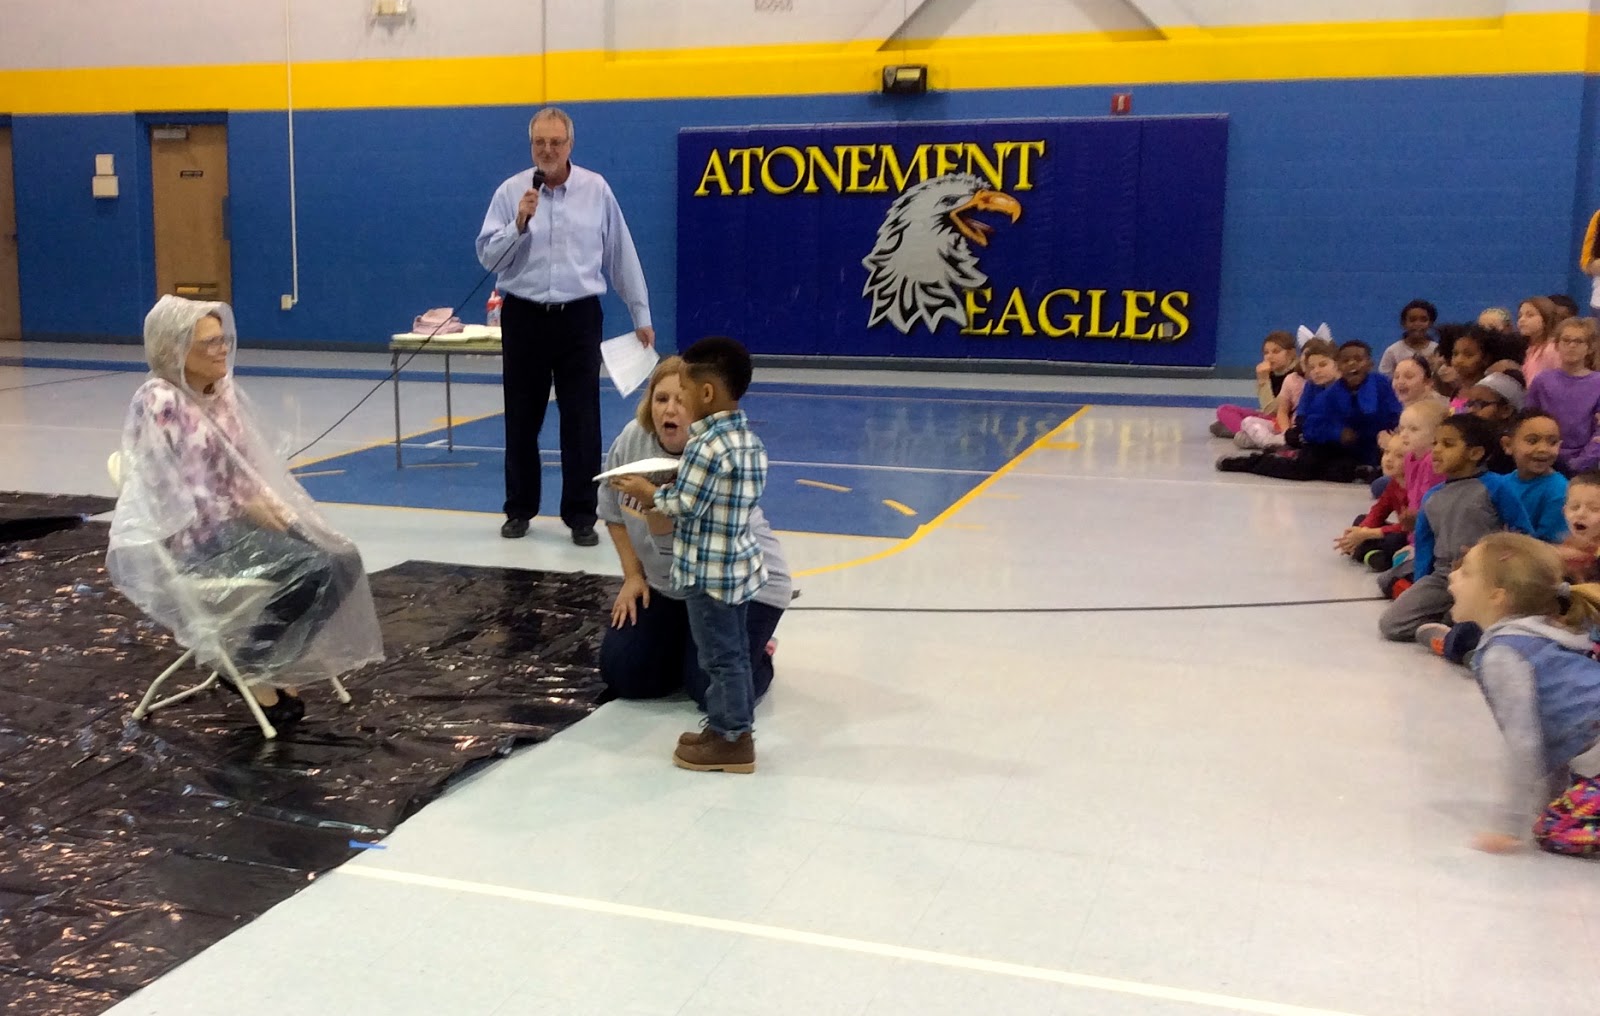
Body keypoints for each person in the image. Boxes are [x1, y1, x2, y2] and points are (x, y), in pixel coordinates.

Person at [106, 296, 383, 728]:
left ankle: (267, 657)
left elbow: (246, 468)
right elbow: (174, 493)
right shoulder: (159, 401)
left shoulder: (220, 391)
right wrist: (245, 506)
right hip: (194, 538)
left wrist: (279, 511)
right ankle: (251, 665)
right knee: (312, 568)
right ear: (174, 349)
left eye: (223, 339)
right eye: (209, 342)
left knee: (342, 558)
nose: (222, 350)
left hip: (236, 523)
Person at [476, 107, 655, 546]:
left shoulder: (597, 190)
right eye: (540, 143)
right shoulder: (510, 192)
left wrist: (641, 314)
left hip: (578, 317)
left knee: (581, 420)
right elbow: (488, 258)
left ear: (570, 145)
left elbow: (620, 253)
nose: (548, 150)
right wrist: (518, 224)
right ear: (531, 145)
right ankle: (519, 509)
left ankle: (580, 515)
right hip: (524, 315)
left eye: (556, 142)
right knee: (521, 418)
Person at [612, 337, 768, 773]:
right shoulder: (748, 442)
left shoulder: (705, 447)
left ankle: (732, 737)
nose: (675, 406)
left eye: (685, 393)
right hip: (737, 567)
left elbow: (682, 505)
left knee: (718, 658)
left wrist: (649, 493)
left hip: (706, 574)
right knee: (731, 652)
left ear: (705, 394)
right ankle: (726, 728)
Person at [599, 357, 790, 709]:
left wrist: (653, 499)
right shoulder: (632, 439)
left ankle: (759, 653)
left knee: (708, 690)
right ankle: (687, 648)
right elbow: (611, 510)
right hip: (674, 586)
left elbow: (674, 538)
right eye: (660, 399)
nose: (669, 410)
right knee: (625, 674)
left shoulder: (712, 454)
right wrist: (632, 576)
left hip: (733, 587)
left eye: (681, 400)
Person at [1445, 532, 1600, 854]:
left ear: (1497, 595)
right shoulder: (1538, 636)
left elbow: (1524, 742)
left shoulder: (1505, 653)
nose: (1452, 575)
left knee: (1557, 830)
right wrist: (1550, 802)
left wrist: (1508, 824)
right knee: (1555, 818)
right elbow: (1552, 744)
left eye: (1467, 572)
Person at [1377, 413, 1532, 641]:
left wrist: (1498, 559)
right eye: (1435, 443)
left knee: (1498, 624)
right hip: (1443, 576)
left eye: (1448, 444)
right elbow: (1424, 546)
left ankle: (1457, 630)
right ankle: (1449, 624)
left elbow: (1523, 533)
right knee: (1391, 625)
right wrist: (1421, 584)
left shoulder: (1496, 486)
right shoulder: (1433, 496)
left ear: (1475, 453)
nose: (1437, 451)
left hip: (1485, 577)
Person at [1526, 317, 1600, 473]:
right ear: (1557, 345)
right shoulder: (1542, 380)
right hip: (1543, 458)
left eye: (1579, 341)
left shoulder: (1597, 383)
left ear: (1589, 348)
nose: (1572, 346)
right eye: (1566, 340)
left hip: (1585, 464)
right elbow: (1529, 418)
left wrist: (1580, 463)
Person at [1210, 331, 1300, 439]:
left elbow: (1271, 411)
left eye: (1276, 351)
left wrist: (1263, 380)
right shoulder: (1271, 372)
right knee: (1224, 412)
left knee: (1224, 425)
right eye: (1266, 353)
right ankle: (1249, 432)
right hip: (1269, 417)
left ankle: (1251, 434)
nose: (1270, 357)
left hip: (1284, 421)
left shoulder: (1294, 376)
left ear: (1291, 353)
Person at [1377, 299, 1438, 375]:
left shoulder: (1437, 351)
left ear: (1431, 323)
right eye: (1412, 320)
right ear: (1403, 323)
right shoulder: (1392, 352)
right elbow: (1384, 381)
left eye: (1423, 320)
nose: (1418, 324)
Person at [1516, 296, 1562, 386]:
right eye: (1520, 316)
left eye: (1530, 315)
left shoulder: (1552, 349)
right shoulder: (1531, 348)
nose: (1522, 320)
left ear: (1546, 318)